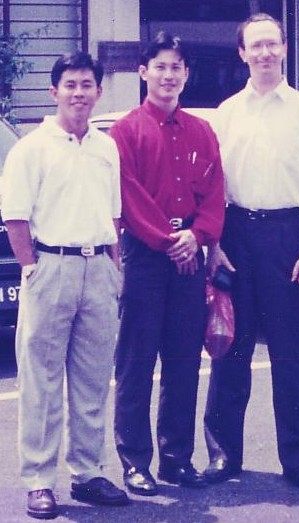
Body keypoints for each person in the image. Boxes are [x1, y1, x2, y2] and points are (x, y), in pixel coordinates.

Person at [202, 13, 299, 490]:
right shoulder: (226, 113)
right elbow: (214, 188)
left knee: (292, 352)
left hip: (289, 236)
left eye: (271, 44)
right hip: (236, 234)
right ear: (242, 53)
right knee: (230, 351)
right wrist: (215, 247)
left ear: (283, 48)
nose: (264, 52)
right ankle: (223, 454)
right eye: (255, 45)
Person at [1, 52, 129, 520]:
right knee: (42, 381)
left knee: (93, 380)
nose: (79, 93)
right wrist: (31, 268)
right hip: (51, 268)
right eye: (70, 84)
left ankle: (88, 472)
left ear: (98, 92)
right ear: (54, 92)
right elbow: (15, 217)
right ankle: (39, 480)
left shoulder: (106, 147)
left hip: (98, 269)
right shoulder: (31, 148)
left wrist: (114, 266)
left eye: (87, 84)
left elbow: (114, 214)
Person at [110, 31, 225, 496]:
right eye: (160, 66)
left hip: (189, 256)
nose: (168, 75)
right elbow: (127, 195)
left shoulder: (202, 131)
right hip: (145, 256)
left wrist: (196, 236)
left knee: (183, 363)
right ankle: (135, 462)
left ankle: (177, 458)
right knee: (136, 364)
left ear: (186, 74)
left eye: (177, 67)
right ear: (144, 72)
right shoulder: (125, 131)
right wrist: (166, 240)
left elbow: (215, 192)